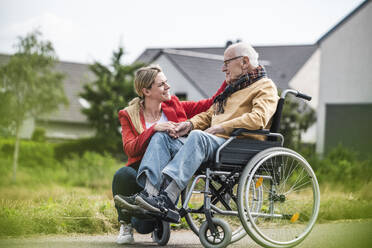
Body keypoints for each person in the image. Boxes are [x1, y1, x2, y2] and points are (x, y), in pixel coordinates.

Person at [116, 42, 279, 218]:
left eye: (227, 63)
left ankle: (168, 199)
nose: (223, 68)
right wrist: (189, 124)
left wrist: (221, 126)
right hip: (215, 143)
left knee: (198, 137)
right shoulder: (235, 87)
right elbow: (209, 114)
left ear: (244, 62)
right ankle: (150, 196)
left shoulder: (265, 86)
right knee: (162, 135)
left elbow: (259, 118)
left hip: (236, 144)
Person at [112, 64, 227, 244]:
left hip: (170, 172)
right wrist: (154, 129)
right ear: (146, 91)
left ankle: (151, 207)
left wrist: (228, 79)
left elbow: (209, 103)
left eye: (166, 82)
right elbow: (130, 148)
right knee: (122, 175)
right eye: (162, 84)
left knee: (145, 225)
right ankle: (126, 225)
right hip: (142, 173)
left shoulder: (173, 104)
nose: (168, 87)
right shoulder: (129, 114)